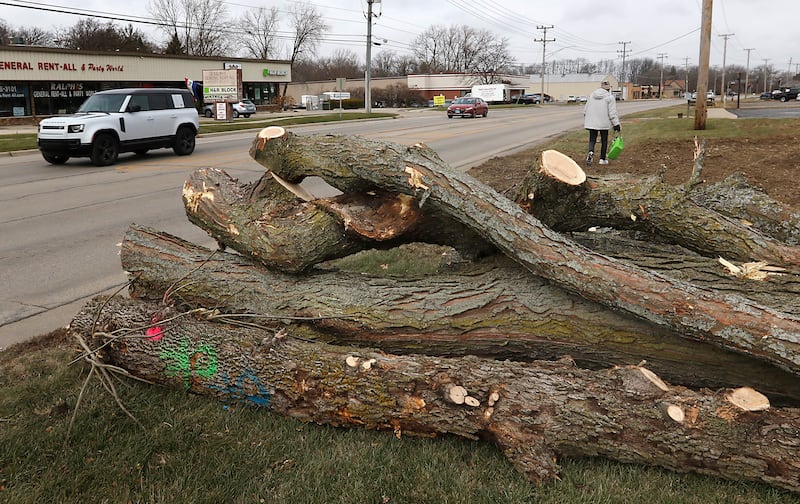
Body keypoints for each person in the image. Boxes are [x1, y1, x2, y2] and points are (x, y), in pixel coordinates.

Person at [583, 80, 621, 166]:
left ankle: (591, 153)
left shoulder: (592, 95)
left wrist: (587, 119)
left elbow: (585, 110)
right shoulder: (610, 97)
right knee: (604, 140)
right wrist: (616, 124)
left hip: (592, 122)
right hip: (604, 122)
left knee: (592, 139)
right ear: (608, 88)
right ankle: (602, 159)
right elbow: (612, 113)